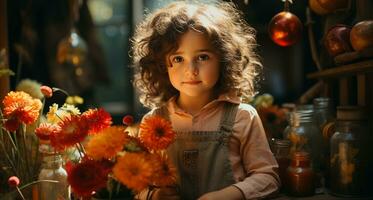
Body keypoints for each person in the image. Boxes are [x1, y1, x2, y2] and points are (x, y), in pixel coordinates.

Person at [132, 1, 280, 200]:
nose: (191, 70)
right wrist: (154, 196)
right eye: (178, 59)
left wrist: (229, 195)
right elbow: (138, 186)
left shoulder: (242, 116)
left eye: (202, 57)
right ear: (161, 65)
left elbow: (268, 178)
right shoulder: (153, 122)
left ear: (224, 59)